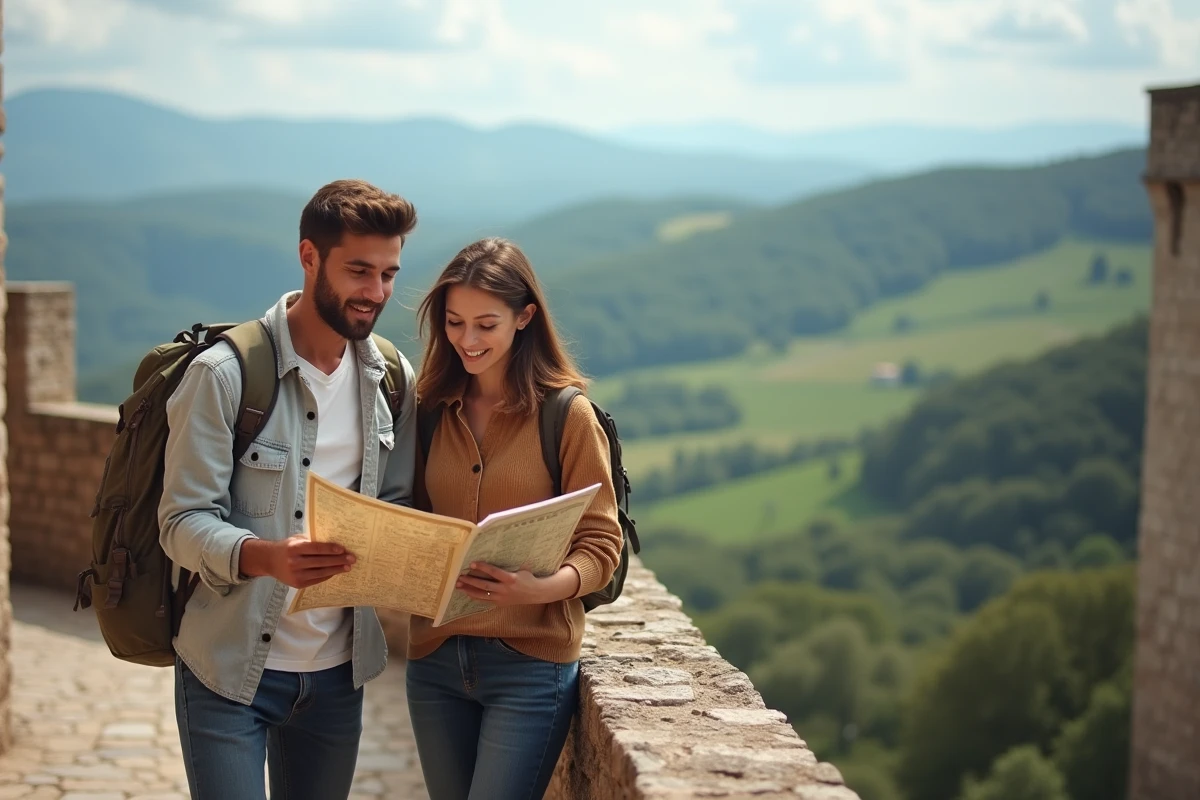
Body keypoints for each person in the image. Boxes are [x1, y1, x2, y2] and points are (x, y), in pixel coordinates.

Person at [158, 179, 419, 800]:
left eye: (388, 274)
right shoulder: (222, 375)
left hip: (338, 677)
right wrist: (267, 557)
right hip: (228, 671)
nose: (375, 293)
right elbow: (180, 519)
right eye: (359, 271)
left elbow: (400, 505)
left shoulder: (392, 379)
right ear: (309, 257)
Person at [406, 237, 624, 799]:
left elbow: (602, 544)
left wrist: (540, 588)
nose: (467, 340)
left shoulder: (568, 416)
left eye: (486, 324)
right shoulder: (430, 411)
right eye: (454, 323)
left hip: (530, 665)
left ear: (525, 317)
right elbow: (417, 522)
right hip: (434, 659)